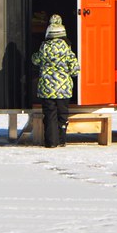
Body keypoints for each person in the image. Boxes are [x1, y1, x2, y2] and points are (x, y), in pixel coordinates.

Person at [31, 14, 80, 148]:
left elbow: (36, 60)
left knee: (49, 114)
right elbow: (75, 68)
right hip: (64, 88)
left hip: (47, 87)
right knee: (62, 114)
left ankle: (51, 142)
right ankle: (62, 139)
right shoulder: (67, 48)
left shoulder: (44, 47)